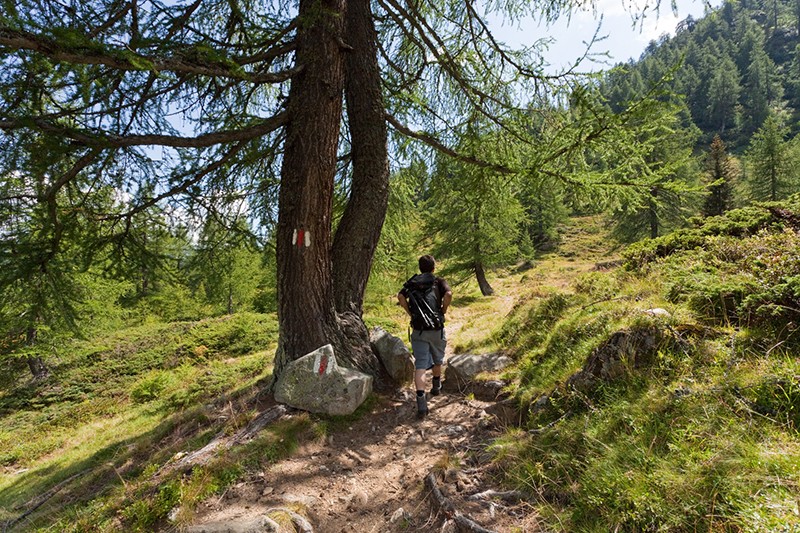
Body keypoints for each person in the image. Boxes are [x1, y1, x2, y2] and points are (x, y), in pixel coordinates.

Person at [398, 254, 452, 417]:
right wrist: (443, 309)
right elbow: (448, 294)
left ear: (420, 268)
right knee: (437, 359)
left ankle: (421, 403)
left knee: (420, 364)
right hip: (436, 328)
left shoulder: (412, 283)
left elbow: (400, 296)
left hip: (419, 329)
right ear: (433, 267)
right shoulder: (439, 281)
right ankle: (436, 388)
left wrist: (410, 313)